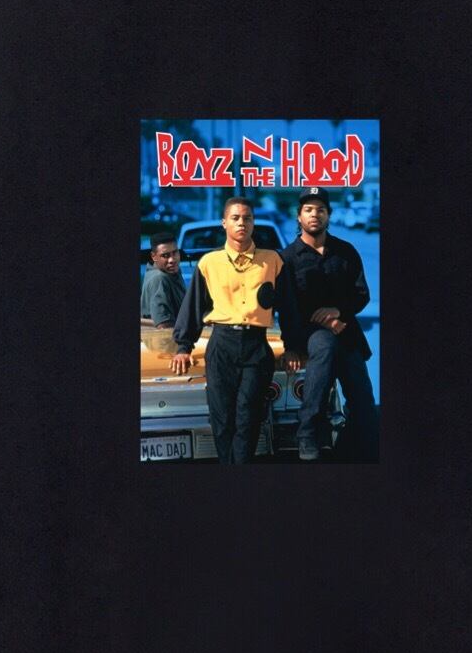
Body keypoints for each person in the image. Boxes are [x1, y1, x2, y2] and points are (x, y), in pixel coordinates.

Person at [172, 198, 305, 464]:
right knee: (222, 419)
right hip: (221, 345)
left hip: (256, 346)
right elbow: (193, 307)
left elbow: (289, 308)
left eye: (247, 218)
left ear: (253, 223)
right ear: (224, 223)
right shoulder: (209, 263)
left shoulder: (273, 260)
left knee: (248, 417)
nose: (241, 223)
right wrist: (183, 347)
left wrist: (293, 347)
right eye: (235, 218)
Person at [279, 186, 379, 462]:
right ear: (299, 216)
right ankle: (307, 433)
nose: (315, 214)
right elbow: (287, 309)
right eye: (308, 210)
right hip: (311, 335)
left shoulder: (345, 251)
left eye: (321, 210)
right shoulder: (287, 259)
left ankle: (355, 448)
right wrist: (292, 347)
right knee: (324, 345)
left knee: (364, 407)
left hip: (347, 334)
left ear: (329, 215)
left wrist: (337, 312)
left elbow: (361, 294)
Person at [140, 231, 186, 327]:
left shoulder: (172, 271)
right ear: (154, 256)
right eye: (165, 256)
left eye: (175, 253)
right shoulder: (159, 279)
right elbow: (163, 325)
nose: (172, 260)